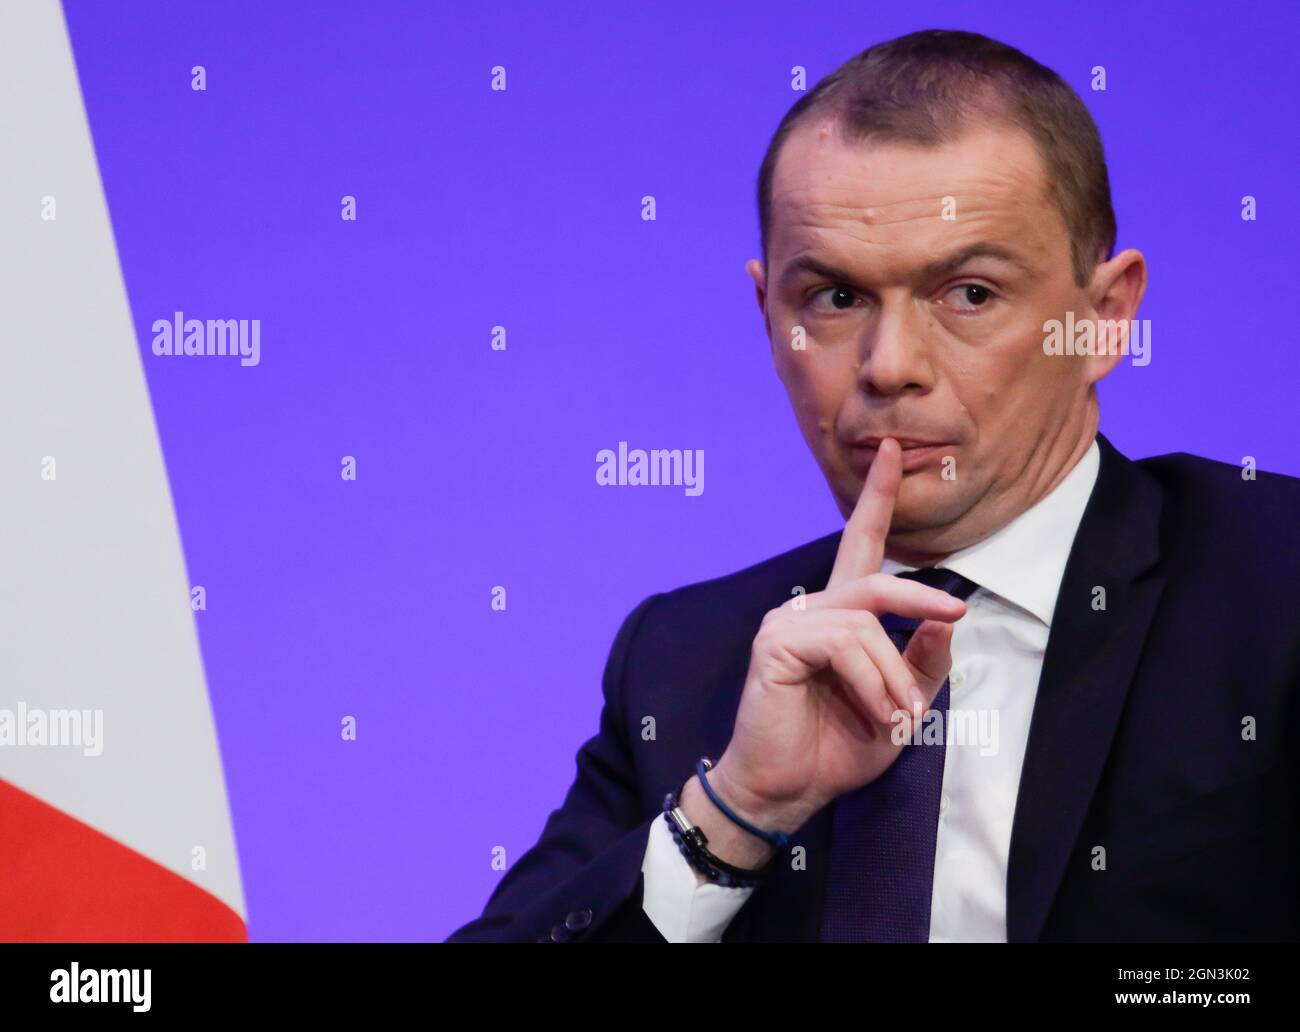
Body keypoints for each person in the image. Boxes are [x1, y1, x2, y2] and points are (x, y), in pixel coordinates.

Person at [447, 28, 1300, 943]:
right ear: (769, 318)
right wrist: (735, 814)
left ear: (1101, 320)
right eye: (836, 299)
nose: (890, 367)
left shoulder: (1275, 588)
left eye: (969, 293)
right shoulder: (683, 659)